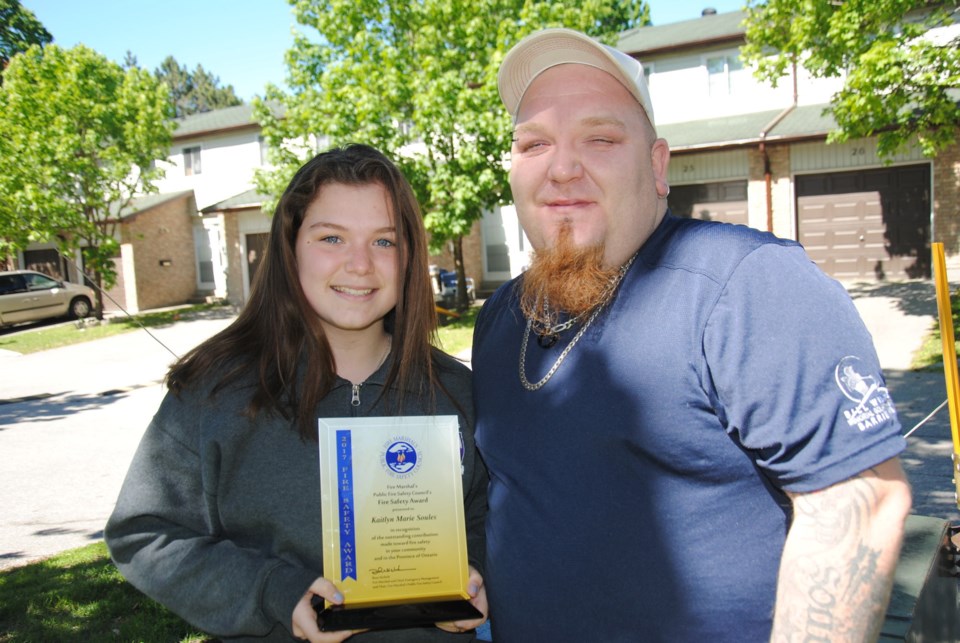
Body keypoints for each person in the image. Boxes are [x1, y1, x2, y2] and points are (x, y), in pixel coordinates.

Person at [472, 28, 912, 642]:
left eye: (600, 138)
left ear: (657, 166)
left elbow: (857, 506)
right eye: (534, 143)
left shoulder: (747, 286)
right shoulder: (498, 320)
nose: (562, 167)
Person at [106, 144, 488, 643]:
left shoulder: (456, 391)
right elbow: (145, 533)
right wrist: (274, 594)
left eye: (385, 242)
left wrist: (475, 572)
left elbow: (483, 513)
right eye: (331, 237)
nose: (359, 265)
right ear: (290, 247)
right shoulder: (216, 391)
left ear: (411, 255)